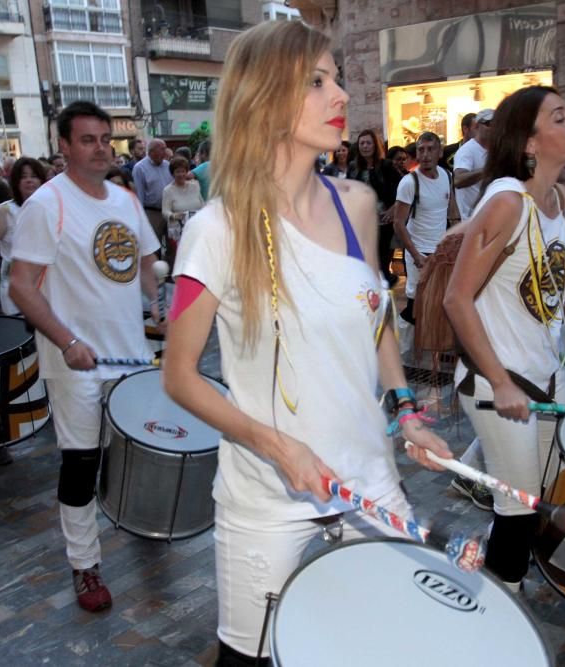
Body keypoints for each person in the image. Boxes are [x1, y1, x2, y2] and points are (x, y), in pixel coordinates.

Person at [161, 22, 451, 665]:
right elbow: (178, 376)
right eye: (316, 82)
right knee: (248, 658)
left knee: (386, 644)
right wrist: (277, 445)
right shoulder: (216, 228)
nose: (340, 94)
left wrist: (406, 409)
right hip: (268, 493)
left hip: (369, 476)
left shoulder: (356, 202)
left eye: (337, 78)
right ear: (264, 97)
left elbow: (372, 316)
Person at [444, 86, 565, 592]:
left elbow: (542, 281)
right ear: (530, 143)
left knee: (539, 492)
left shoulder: (560, 201)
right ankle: (500, 611)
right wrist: (502, 382)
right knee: (519, 507)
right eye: (560, 117)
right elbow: (457, 299)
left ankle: (489, 573)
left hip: (546, 374)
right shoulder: (507, 204)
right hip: (498, 380)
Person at [9, 101, 162, 614]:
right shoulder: (46, 205)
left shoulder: (126, 200)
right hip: (75, 360)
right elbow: (21, 288)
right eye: (88, 140)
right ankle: (84, 565)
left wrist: (166, 304)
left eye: (105, 139)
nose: (101, 148)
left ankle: (138, 519)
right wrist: (67, 341)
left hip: (131, 356)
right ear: (65, 147)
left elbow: (146, 265)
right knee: (81, 461)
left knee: (138, 450)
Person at [393, 131, 459, 325]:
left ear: (440, 153)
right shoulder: (409, 182)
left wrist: (453, 247)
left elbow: (451, 213)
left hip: (440, 252)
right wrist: (415, 255)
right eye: (421, 150)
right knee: (415, 304)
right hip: (417, 251)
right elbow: (398, 223)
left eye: (431, 149)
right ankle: (406, 350)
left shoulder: (447, 176)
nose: (425, 155)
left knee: (438, 300)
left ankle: (430, 346)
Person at [0, 157, 47, 315]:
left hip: (50, 287)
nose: (29, 181)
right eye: (23, 177)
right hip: (16, 290)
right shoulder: (4, 212)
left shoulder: (53, 209)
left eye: (33, 176)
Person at [350, 129, 402, 285]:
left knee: (383, 258)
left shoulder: (386, 166)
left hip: (383, 219)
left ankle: (385, 290)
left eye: (368, 143)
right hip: (362, 221)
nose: (365, 146)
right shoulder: (354, 167)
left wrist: (394, 207)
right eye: (362, 143)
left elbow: (401, 188)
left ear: (375, 145)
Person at [453, 108, 493, 219]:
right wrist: (488, 169)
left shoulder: (496, 150)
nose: (493, 128)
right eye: (489, 123)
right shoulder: (467, 150)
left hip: (491, 216)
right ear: (477, 126)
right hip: (471, 219)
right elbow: (458, 180)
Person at [133, 138, 173, 250]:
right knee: (154, 247)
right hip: (152, 213)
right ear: (151, 151)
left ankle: (171, 267)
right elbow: (139, 194)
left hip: (170, 212)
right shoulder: (140, 168)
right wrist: (141, 217)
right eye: (162, 149)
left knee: (172, 245)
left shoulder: (168, 165)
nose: (165, 152)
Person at [161, 156, 203, 260]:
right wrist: (173, 215)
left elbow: (203, 204)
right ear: (172, 173)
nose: (181, 174)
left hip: (196, 228)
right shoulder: (168, 190)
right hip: (178, 230)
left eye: (183, 171)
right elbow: (165, 211)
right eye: (178, 172)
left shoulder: (195, 186)